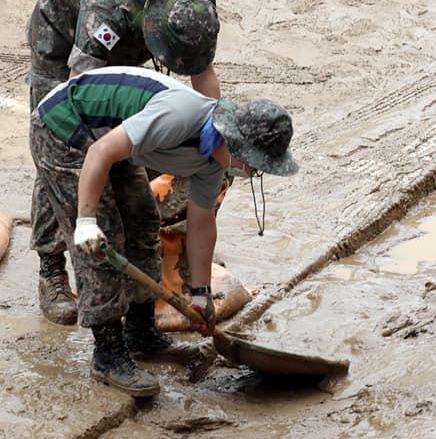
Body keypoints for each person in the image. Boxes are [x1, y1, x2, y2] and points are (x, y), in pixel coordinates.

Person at [30, 66, 297, 396]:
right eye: (254, 163)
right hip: (64, 127)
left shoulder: (213, 160)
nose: (253, 171)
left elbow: (201, 224)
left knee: (143, 223)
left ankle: (141, 334)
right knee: (103, 240)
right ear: (235, 142)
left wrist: (200, 293)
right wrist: (85, 222)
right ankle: (108, 354)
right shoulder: (180, 118)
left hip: (110, 138)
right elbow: (100, 152)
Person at [27, 0, 221, 326]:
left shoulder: (192, 10)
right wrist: (93, 207)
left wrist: (211, 141)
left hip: (126, 39)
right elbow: (76, 93)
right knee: (63, 157)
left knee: (131, 169)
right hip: (62, 41)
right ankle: (50, 268)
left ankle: (141, 300)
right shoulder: (108, 7)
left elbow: (205, 81)